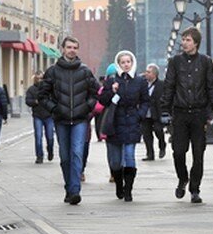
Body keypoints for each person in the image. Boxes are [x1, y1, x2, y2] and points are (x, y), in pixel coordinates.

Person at [160, 27, 213, 204]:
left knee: (198, 153)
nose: (184, 42)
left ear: (196, 42)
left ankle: (195, 189)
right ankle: (182, 178)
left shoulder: (205, 62)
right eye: (183, 39)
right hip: (180, 113)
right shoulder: (175, 62)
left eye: (188, 40)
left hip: (198, 114)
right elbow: (169, 86)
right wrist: (165, 110)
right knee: (178, 152)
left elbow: (211, 88)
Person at [37, 36, 99, 205]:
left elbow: (95, 92)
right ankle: (68, 186)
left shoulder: (85, 71)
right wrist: (54, 108)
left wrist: (87, 107)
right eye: (69, 47)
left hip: (80, 119)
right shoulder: (53, 71)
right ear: (63, 49)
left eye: (75, 47)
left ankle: (74, 190)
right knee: (65, 157)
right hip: (61, 119)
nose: (72, 50)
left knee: (77, 153)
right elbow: (42, 95)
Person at [99, 50, 149, 202]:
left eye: (129, 62)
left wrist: (140, 114)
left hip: (132, 123)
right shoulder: (112, 80)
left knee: (129, 156)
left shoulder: (140, 81)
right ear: (118, 64)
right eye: (123, 62)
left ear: (132, 63)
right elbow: (102, 101)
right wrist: (111, 90)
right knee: (115, 161)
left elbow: (146, 100)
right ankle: (119, 184)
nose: (126, 65)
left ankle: (128, 189)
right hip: (115, 123)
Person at [25, 72, 54, 164]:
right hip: (38, 116)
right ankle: (39, 156)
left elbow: (55, 99)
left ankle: (50, 150)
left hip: (49, 115)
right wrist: (35, 101)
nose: (40, 80)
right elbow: (28, 101)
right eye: (38, 78)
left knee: (50, 137)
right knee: (38, 137)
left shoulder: (49, 89)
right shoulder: (31, 89)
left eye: (41, 78)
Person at [140, 63, 167, 160]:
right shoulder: (143, 83)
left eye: (148, 72)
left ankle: (162, 145)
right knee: (146, 134)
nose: (146, 74)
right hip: (145, 113)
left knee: (158, 130)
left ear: (154, 74)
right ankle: (150, 154)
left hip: (157, 113)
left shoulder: (161, 85)